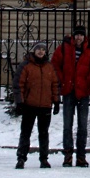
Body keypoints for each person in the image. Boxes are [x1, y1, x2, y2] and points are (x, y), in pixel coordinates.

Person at [51, 24, 90, 167]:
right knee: (67, 125)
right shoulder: (64, 48)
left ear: (84, 36)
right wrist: (62, 80)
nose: (79, 38)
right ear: (73, 36)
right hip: (69, 91)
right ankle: (68, 155)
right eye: (77, 35)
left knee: (82, 126)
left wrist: (88, 82)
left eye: (81, 35)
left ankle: (81, 155)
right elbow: (55, 64)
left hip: (83, 92)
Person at [14, 41, 59, 169]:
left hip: (45, 105)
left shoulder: (49, 67)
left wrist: (56, 101)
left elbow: (55, 85)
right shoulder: (26, 66)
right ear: (34, 51)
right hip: (29, 105)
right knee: (26, 132)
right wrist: (19, 102)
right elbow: (19, 84)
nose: (40, 51)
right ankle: (21, 157)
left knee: (44, 133)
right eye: (38, 49)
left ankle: (44, 158)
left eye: (43, 50)